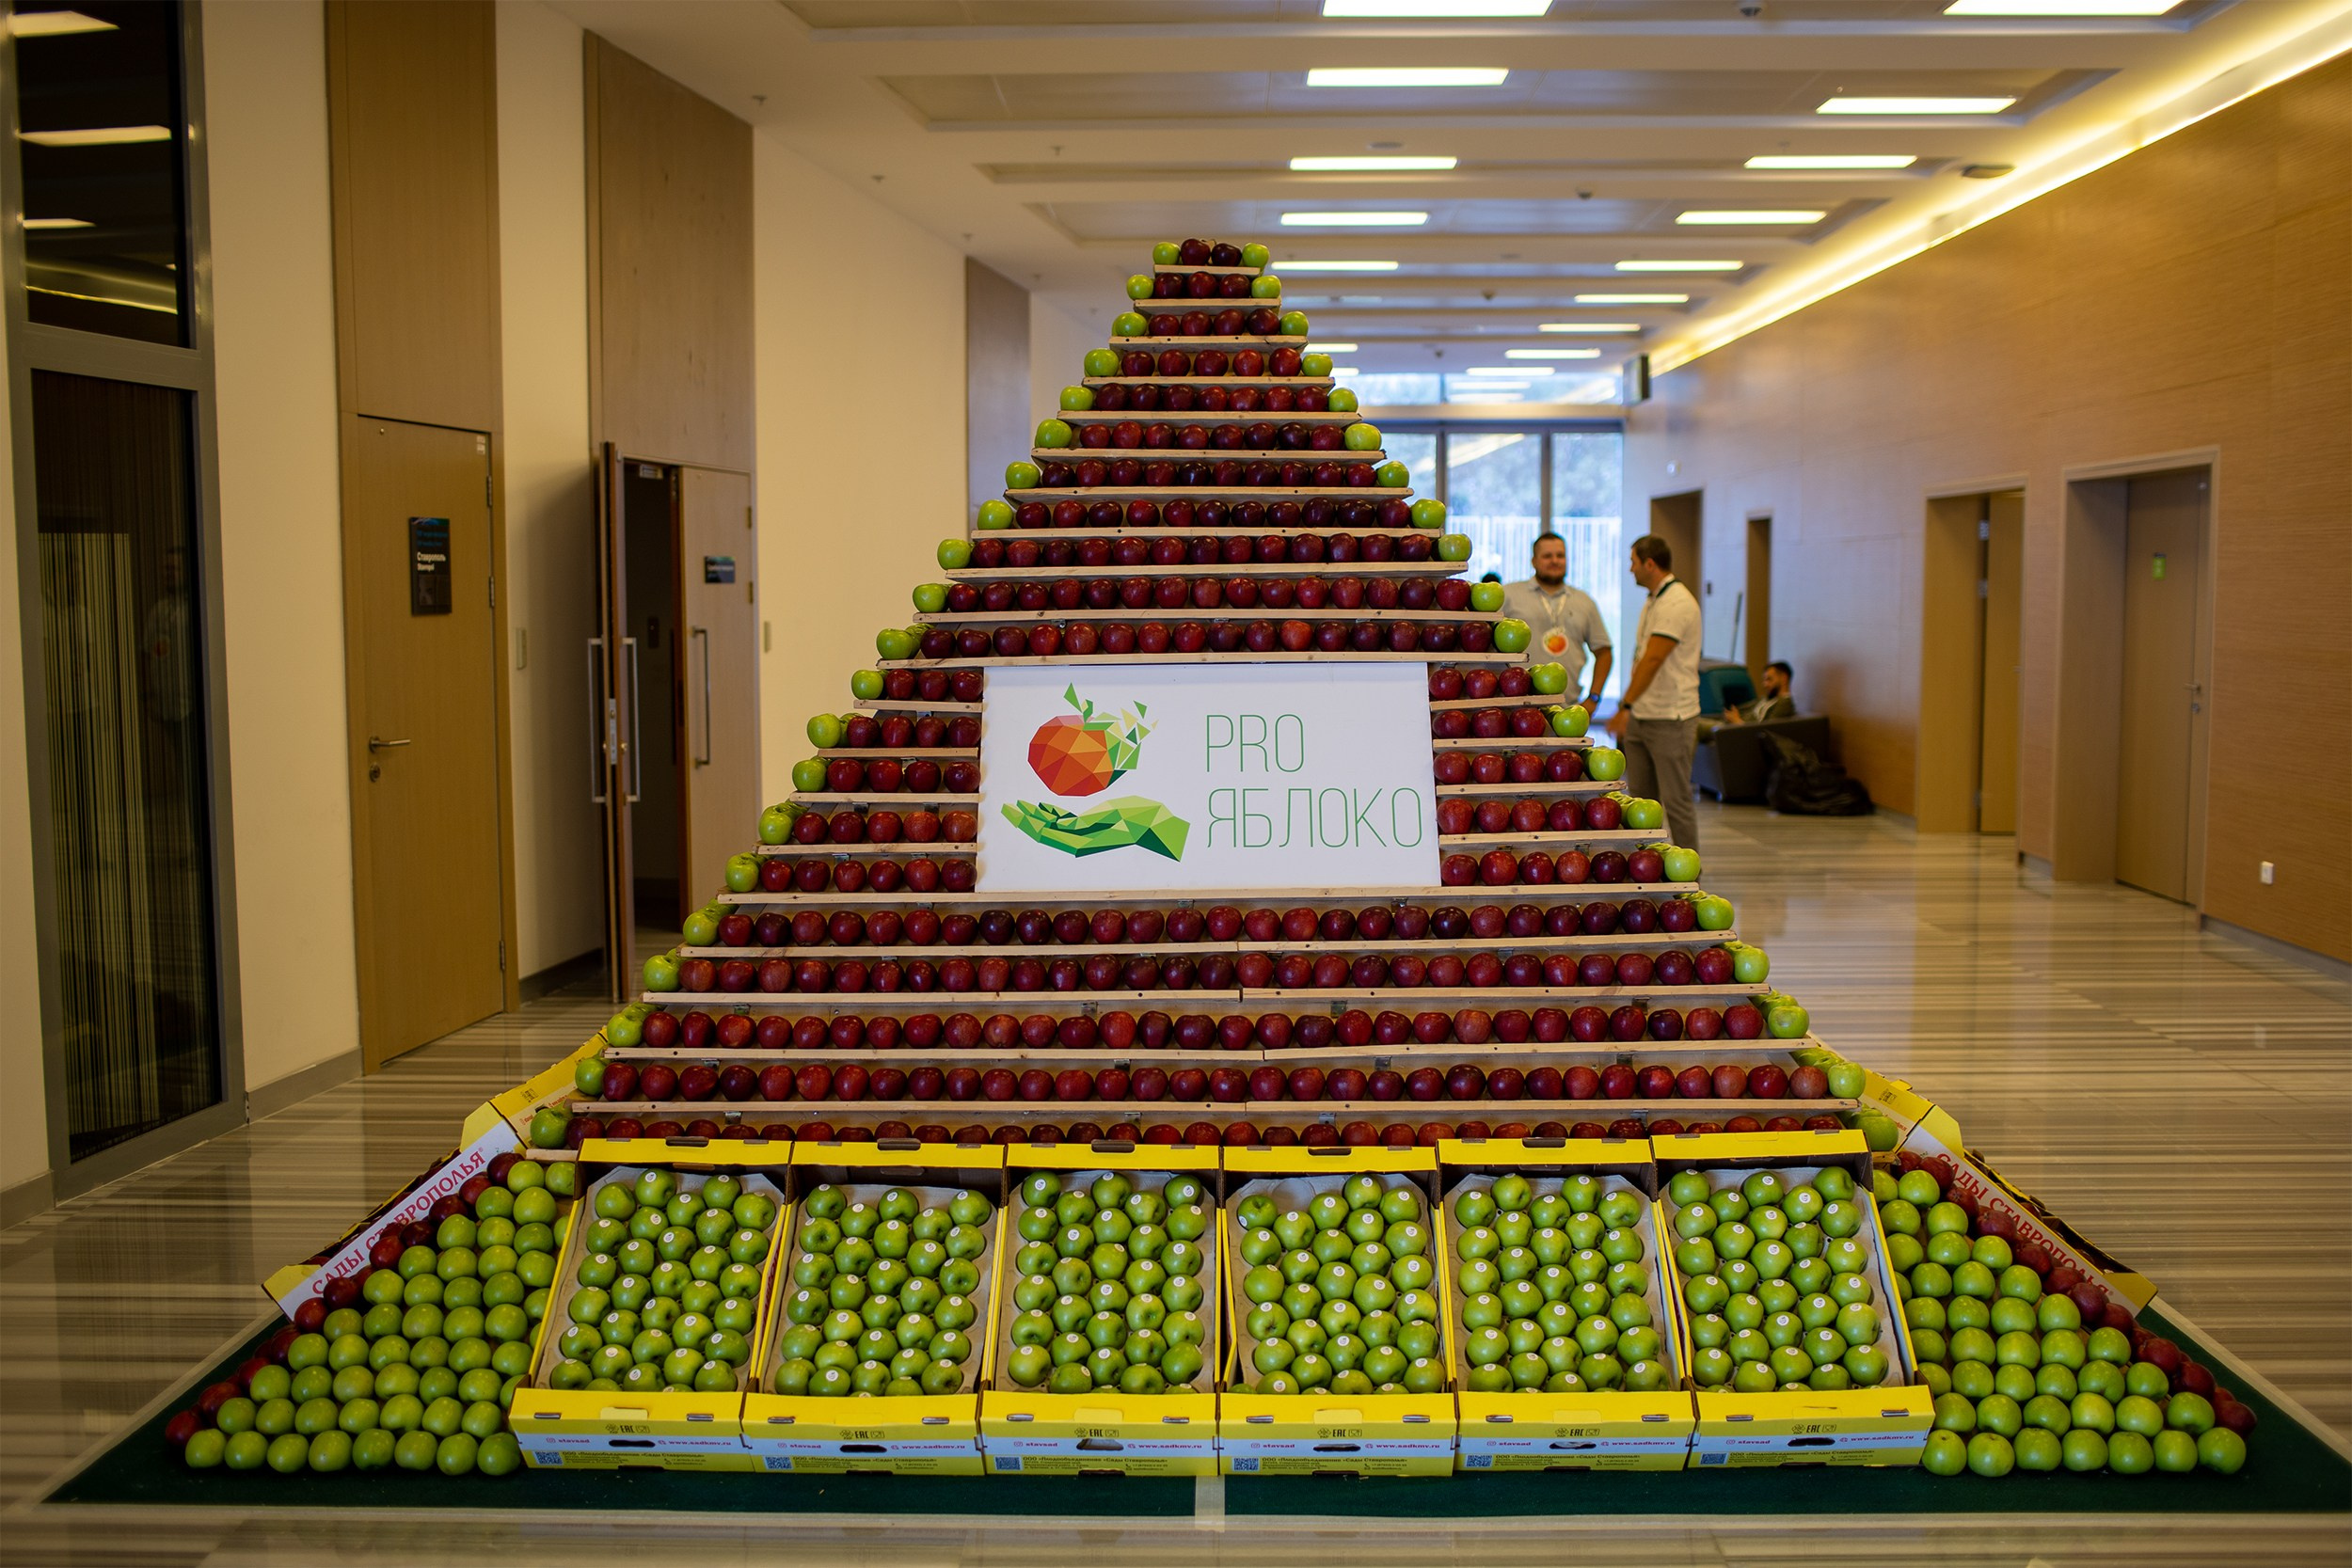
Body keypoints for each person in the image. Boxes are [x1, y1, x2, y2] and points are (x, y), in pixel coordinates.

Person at [1605, 534, 1702, 852]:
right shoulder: (1654, 598)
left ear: (1650, 564)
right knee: (1642, 803)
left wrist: (1625, 706)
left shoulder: (1677, 602)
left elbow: (1654, 659)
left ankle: (1691, 876)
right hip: (1643, 715)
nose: (1630, 569)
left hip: (1670, 717)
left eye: (1633, 562)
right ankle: (1645, 868)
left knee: (1676, 801)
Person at [1500, 531, 1612, 713]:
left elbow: (1604, 652)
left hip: (1568, 711)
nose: (1555, 561)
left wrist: (1594, 698)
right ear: (1534, 561)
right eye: (1547, 556)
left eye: (1560, 555)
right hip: (1515, 708)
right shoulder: (1509, 595)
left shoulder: (1584, 602)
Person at [1721, 660, 1795, 725]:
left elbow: (1766, 732)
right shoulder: (1768, 699)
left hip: (1736, 731)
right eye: (1765, 680)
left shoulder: (1784, 703)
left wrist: (1737, 721)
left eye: (1769, 679)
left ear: (1783, 678)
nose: (1765, 685)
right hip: (1728, 724)